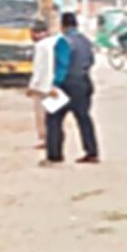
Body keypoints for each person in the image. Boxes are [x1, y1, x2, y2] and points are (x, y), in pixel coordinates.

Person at [42, 12, 100, 166]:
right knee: (84, 118)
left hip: (66, 84)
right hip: (83, 82)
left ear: (63, 26)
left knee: (53, 118)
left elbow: (62, 65)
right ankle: (91, 152)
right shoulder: (86, 41)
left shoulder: (63, 42)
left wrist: (55, 85)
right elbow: (91, 61)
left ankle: (54, 155)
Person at [25, 20, 58, 149]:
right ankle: (54, 139)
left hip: (42, 87)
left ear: (37, 33)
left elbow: (38, 69)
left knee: (41, 115)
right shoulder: (56, 43)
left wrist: (32, 86)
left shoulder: (40, 46)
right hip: (56, 85)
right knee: (54, 115)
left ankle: (45, 139)